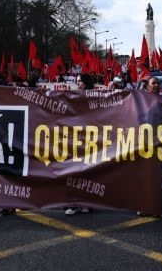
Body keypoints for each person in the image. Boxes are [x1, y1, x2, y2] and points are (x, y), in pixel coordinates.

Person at [65, 73, 95, 216]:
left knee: (87, 173)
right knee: (73, 172)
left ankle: (86, 203)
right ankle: (73, 203)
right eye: (77, 82)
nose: (78, 84)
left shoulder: (96, 98)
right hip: (75, 140)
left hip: (89, 140)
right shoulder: (73, 97)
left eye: (80, 82)